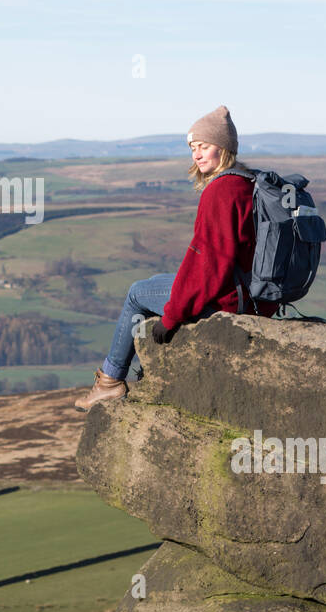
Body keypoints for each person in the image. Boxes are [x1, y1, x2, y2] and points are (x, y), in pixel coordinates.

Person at [74, 106, 280, 412]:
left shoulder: (219, 192)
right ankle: (110, 379)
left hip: (230, 299)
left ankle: (110, 382)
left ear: (223, 149)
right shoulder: (245, 182)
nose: (197, 155)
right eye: (193, 148)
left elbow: (211, 267)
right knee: (154, 283)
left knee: (136, 293)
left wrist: (171, 317)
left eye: (204, 147)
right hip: (253, 294)